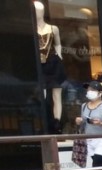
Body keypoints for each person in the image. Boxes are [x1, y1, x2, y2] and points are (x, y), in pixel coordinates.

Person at [34, 0, 65, 132]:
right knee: (43, 94)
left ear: (43, 12)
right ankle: (45, 121)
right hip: (39, 64)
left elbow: (57, 43)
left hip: (53, 62)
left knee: (56, 94)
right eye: (35, 11)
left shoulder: (53, 28)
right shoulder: (31, 29)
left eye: (39, 11)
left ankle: (57, 122)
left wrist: (59, 54)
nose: (37, 13)